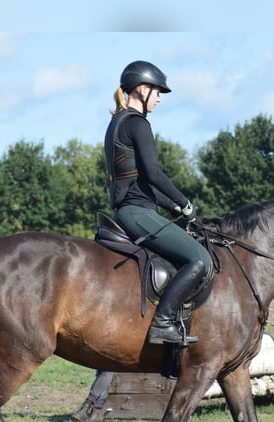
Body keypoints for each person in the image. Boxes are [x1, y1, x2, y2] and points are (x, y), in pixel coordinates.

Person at [105, 60, 213, 346]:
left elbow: (143, 182)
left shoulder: (117, 122)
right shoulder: (138, 124)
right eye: (157, 91)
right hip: (136, 212)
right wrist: (185, 202)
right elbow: (153, 174)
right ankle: (163, 323)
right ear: (142, 90)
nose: (159, 98)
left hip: (133, 208)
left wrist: (176, 208)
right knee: (200, 258)